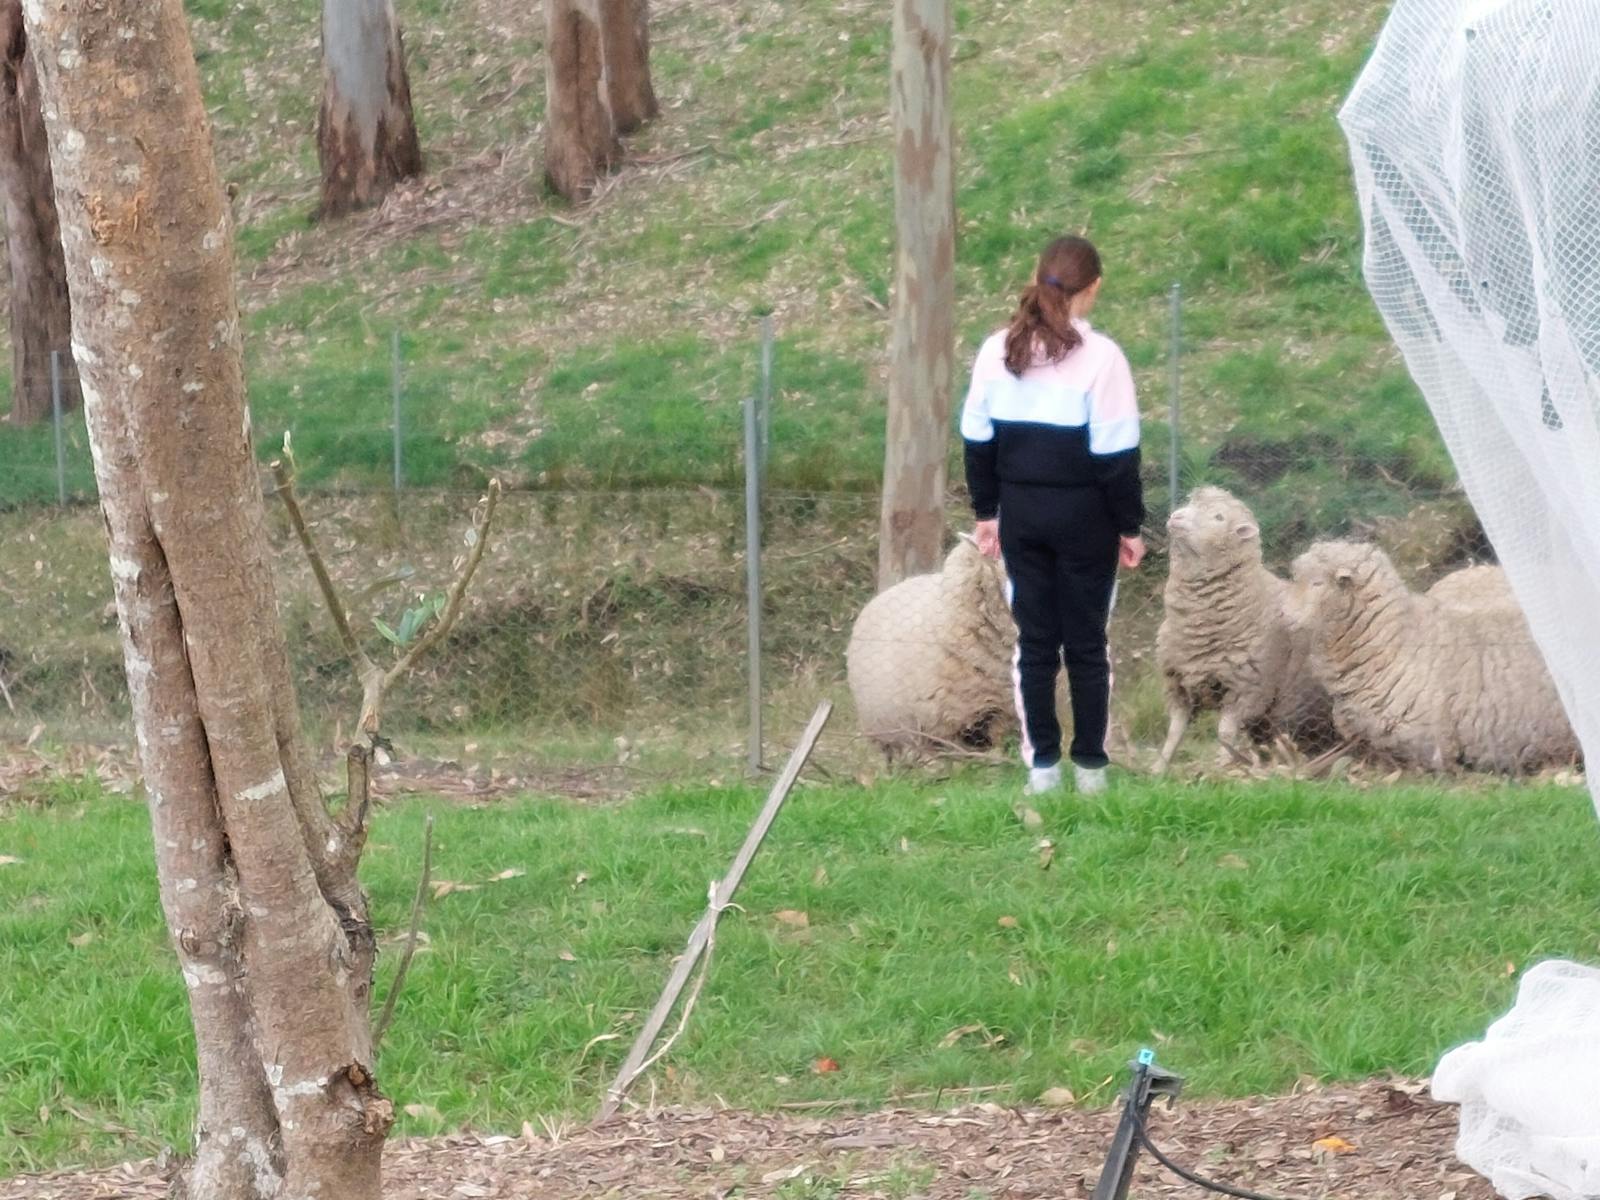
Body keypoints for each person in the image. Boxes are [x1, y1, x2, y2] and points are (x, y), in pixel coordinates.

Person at [960, 235, 1146, 796]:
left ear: (1037, 276)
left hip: (1021, 516)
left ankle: (1041, 767)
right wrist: (1129, 526)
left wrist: (987, 511)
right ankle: (1091, 770)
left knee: (1035, 644)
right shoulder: (1104, 359)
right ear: (1093, 289)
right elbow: (1117, 458)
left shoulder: (997, 349)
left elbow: (976, 439)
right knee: (1087, 645)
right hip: (1085, 518)